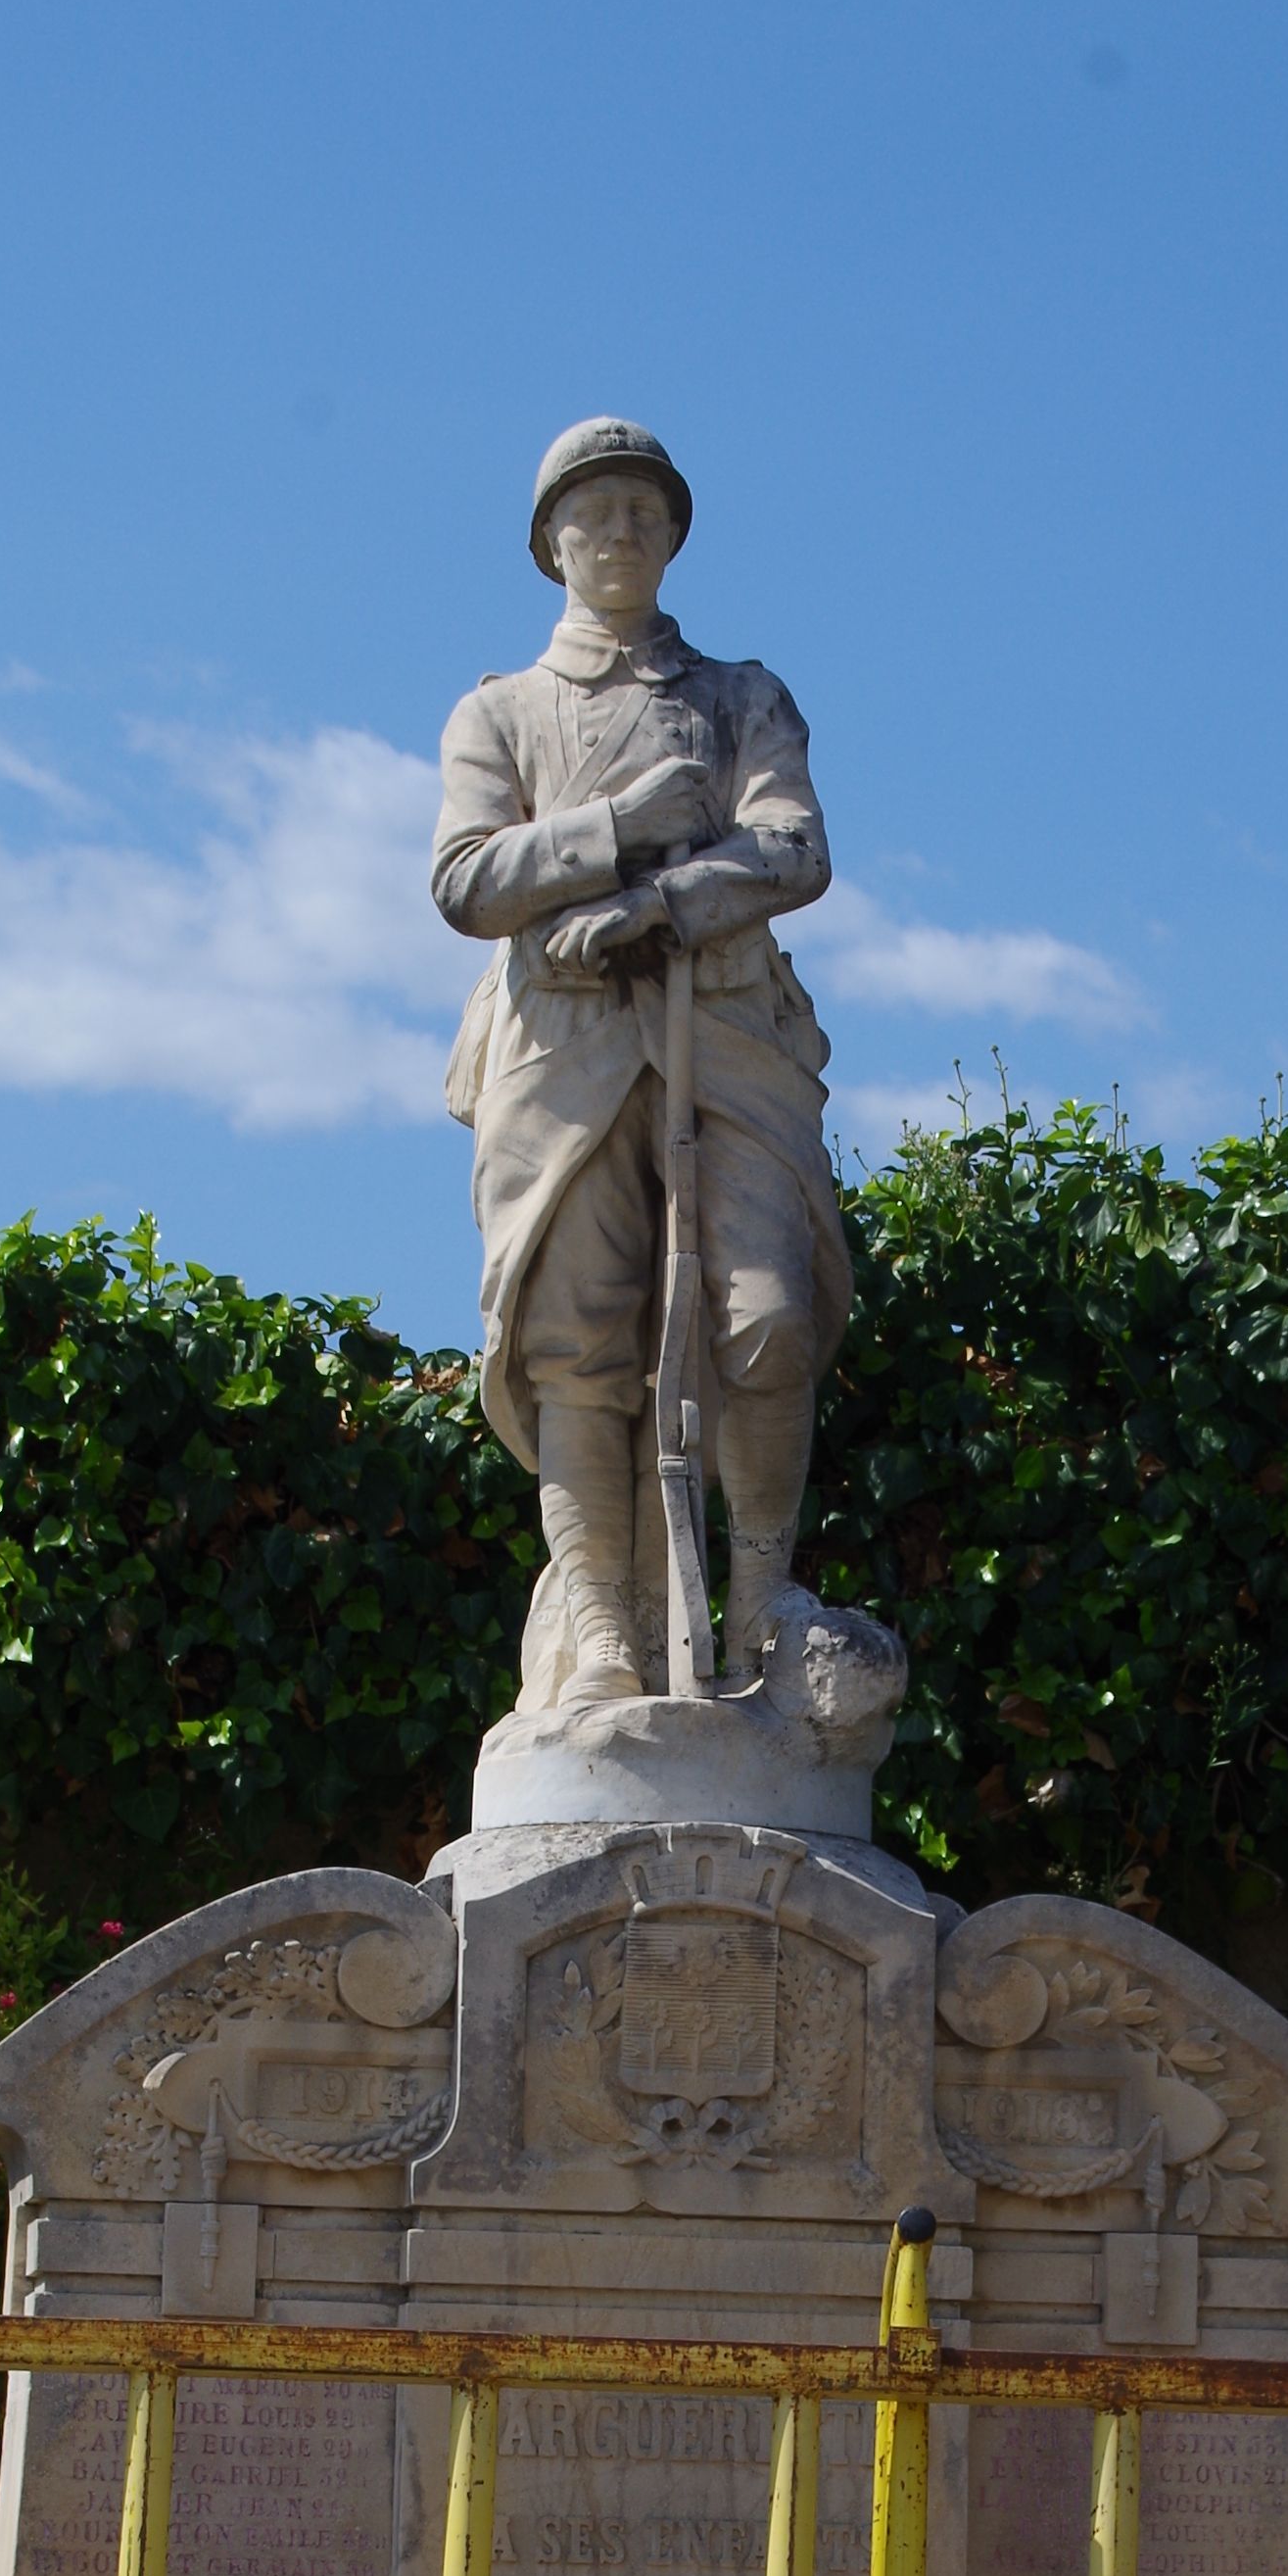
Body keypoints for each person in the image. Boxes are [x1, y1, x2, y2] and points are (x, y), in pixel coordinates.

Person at [433, 417, 854, 1710]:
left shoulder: (740, 699)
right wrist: (618, 829)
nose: (619, 531)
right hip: (562, 1053)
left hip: (721, 1034)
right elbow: (463, 879)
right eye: (593, 511)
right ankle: (605, 1626)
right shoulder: (500, 711)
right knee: (578, 1343)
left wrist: (664, 905)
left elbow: (794, 849)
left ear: (673, 535)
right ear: (549, 542)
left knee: (767, 1317)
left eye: (642, 510)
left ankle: (761, 1608)